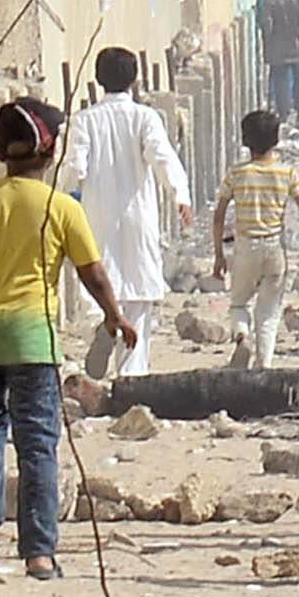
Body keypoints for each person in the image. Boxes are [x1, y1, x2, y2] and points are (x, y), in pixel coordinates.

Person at [0, 100, 135, 579]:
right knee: (37, 441)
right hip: (32, 339)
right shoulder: (61, 207)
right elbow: (92, 272)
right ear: (52, 149)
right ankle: (38, 552)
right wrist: (114, 316)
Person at [59, 47, 190, 381]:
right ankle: (131, 377)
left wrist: (60, 201)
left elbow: (74, 167)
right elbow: (163, 158)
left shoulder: (85, 120)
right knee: (141, 296)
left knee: (101, 283)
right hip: (138, 216)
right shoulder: (145, 118)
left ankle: (106, 324)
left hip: (97, 217)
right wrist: (180, 196)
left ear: (99, 80)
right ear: (135, 79)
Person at [213, 109, 299, 369]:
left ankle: (242, 336)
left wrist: (218, 254)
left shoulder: (237, 174)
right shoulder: (287, 173)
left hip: (246, 245)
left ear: (246, 141)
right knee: (269, 313)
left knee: (239, 302)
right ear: (276, 140)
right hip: (274, 248)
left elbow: (219, 215)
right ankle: (264, 367)